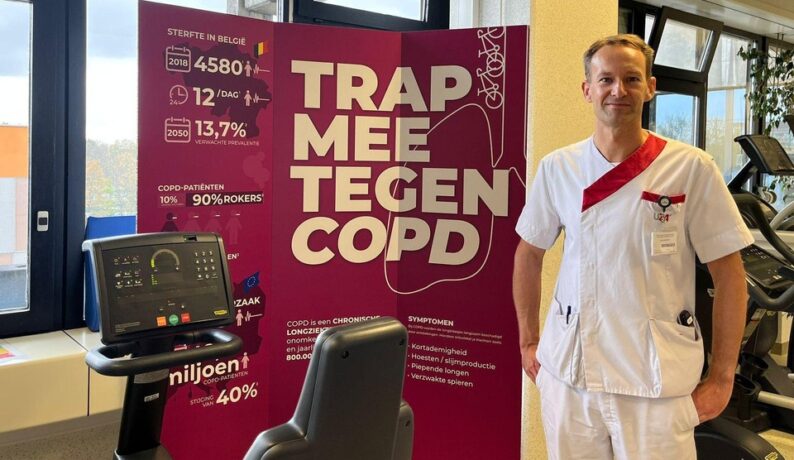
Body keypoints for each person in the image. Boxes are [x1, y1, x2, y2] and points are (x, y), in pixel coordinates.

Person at [513, 34, 753, 459]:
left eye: (631, 78)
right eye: (605, 79)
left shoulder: (690, 168)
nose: (618, 90)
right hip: (571, 376)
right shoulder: (558, 168)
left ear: (650, 87)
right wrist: (529, 342)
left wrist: (722, 377)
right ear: (587, 89)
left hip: (654, 385)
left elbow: (730, 277)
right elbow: (528, 255)